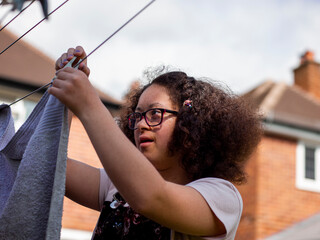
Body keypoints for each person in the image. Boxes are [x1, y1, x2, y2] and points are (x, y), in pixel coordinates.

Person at [49, 46, 262, 240]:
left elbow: (152, 197)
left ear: (192, 124)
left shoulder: (221, 197)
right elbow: (48, 165)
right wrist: (65, 98)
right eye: (138, 115)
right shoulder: (115, 185)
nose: (141, 124)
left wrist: (88, 105)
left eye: (155, 113)